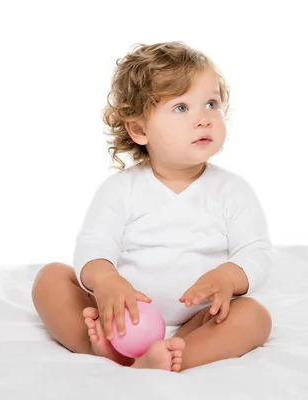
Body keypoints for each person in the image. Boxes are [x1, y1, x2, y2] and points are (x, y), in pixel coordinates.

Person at [31, 41, 273, 372]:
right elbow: (94, 245)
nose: (203, 119)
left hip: (198, 321)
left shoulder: (232, 191)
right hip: (122, 315)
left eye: (211, 103)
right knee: (51, 278)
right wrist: (106, 282)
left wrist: (228, 277)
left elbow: (256, 252)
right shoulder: (121, 189)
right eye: (181, 108)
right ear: (140, 129)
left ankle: (175, 356)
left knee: (255, 316)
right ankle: (97, 346)